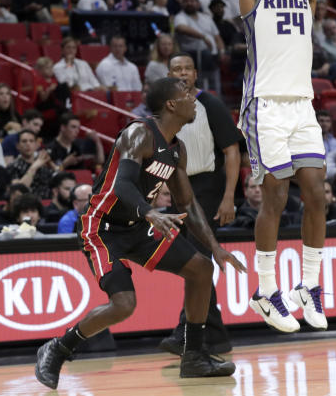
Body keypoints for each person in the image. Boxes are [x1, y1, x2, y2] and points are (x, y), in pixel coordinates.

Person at [33, 77, 245, 387]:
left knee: (201, 268)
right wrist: (150, 212)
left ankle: (195, 356)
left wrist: (215, 247)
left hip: (139, 225)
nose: (193, 100)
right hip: (102, 227)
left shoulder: (176, 150)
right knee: (124, 305)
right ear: (171, 103)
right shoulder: (138, 133)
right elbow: (122, 185)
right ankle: (58, 348)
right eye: (187, 94)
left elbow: (187, 203)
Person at [228, 0, 334, 333]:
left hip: (302, 106)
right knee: (275, 195)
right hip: (265, 105)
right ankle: (265, 289)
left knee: (316, 193)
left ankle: (308, 287)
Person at [158, 53, 241, 355]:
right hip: (180, 187)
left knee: (197, 260)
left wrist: (229, 196)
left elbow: (232, 152)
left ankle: (185, 333)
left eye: (187, 69)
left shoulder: (211, 104)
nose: (182, 73)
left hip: (208, 188)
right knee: (193, 263)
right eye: (175, 69)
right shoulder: (166, 108)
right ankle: (215, 336)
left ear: (196, 73)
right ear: (168, 74)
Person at [7, 130, 58, 198]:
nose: (28, 144)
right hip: (27, 204)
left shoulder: (44, 163)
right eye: (24, 141)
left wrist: (53, 166)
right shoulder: (12, 166)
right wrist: (34, 167)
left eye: (31, 141)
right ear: (18, 146)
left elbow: (61, 182)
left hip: (48, 204)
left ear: (36, 145)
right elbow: (18, 192)